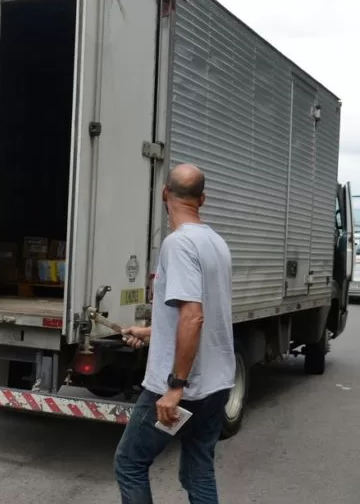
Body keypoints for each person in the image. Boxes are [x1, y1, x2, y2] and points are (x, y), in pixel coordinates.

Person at [114, 163, 234, 504]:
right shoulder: (216, 243)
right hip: (215, 386)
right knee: (198, 469)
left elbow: (193, 318)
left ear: (165, 193)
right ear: (203, 199)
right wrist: (152, 331)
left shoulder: (178, 244)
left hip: (184, 389)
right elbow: (195, 316)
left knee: (130, 463)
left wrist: (174, 388)